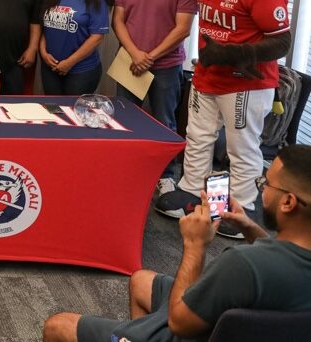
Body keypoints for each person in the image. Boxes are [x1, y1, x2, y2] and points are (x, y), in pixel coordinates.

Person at [43, 145, 311, 342]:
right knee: (140, 280)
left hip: (192, 328)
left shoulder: (241, 264)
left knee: (57, 326)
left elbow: (180, 323)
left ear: (288, 202)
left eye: (266, 183)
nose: (262, 189)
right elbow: (278, 256)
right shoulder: (288, 252)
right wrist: (249, 227)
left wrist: (195, 245)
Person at [156, 0, 292, 239]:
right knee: (198, 138)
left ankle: (240, 207)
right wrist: (210, 58)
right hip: (207, 77)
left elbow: (281, 43)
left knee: (241, 147)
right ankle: (195, 193)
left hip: (245, 84)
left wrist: (230, 54)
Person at [112, 0, 197, 197]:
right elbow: (118, 21)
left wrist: (150, 56)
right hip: (130, 62)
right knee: (125, 119)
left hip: (166, 66)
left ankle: (166, 176)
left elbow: (183, 28)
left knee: (164, 122)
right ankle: (128, 169)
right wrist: (136, 54)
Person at [39, 0, 111, 95]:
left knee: (74, 116)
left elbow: (97, 36)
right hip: (50, 67)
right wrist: (43, 52)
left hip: (81, 70)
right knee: (53, 112)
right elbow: (45, 27)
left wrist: (69, 63)